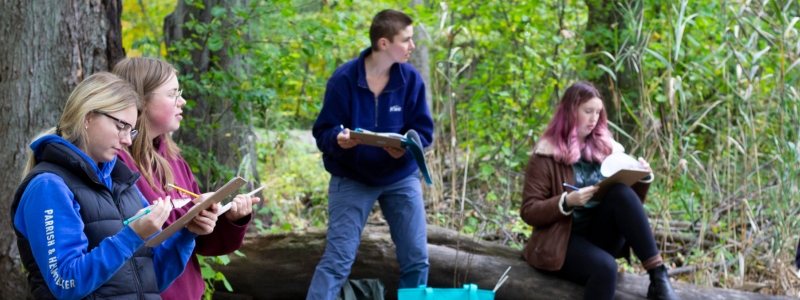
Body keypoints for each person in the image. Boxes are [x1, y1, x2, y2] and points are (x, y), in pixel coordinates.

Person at [11, 72, 205, 299]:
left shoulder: (123, 184)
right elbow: (66, 281)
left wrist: (187, 234)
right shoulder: (48, 186)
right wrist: (133, 235)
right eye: (120, 126)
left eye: (131, 130)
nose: (128, 140)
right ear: (88, 117)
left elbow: (152, 280)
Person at [306, 9, 434, 300]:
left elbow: (423, 133)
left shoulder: (411, 79)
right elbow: (322, 132)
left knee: (416, 258)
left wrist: (403, 150)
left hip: (400, 177)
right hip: (351, 177)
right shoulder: (344, 79)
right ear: (384, 44)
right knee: (337, 261)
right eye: (407, 40)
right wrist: (338, 140)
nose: (412, 46)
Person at [112, 57, 260, 300]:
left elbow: (199, 244)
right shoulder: (117, 164)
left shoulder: (174, 160)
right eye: (172, 94)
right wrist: (192, 215)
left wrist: (227, 219)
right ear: (141, 100)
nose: (182, 101)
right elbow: (135, 240)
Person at [520, 82, 680, 300]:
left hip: (599, 234)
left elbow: (631, 206)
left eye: (598, 112)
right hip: (561, 241)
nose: (594, 118)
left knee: (621, 193)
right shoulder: (545, 156)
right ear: (570, 112)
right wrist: (566, 202)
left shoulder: (608, 149)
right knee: (605, 268)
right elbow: (529, 211)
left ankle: (658, 277)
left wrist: (642, 175)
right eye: (588, 111)